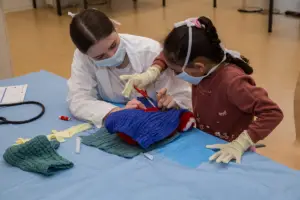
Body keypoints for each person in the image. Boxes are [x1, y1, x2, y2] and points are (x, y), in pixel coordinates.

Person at [120, 17, 283, 164]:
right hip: (206, 139)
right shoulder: (206, 65)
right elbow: (166, 56)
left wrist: (241, 143)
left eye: (177, 71)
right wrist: (153, 72)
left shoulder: (233, 82)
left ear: (198, 67)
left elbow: (272, 112)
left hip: (231, 151)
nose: (176, 75)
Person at [66, 9, 191, 128]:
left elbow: (184, 96)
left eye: (113, 45)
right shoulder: (84, 58)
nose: (112, 55)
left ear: (115, 27)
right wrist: (116, 112)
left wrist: (172, 102)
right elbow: (78, 100)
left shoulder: (149, 51)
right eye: (100, 57)